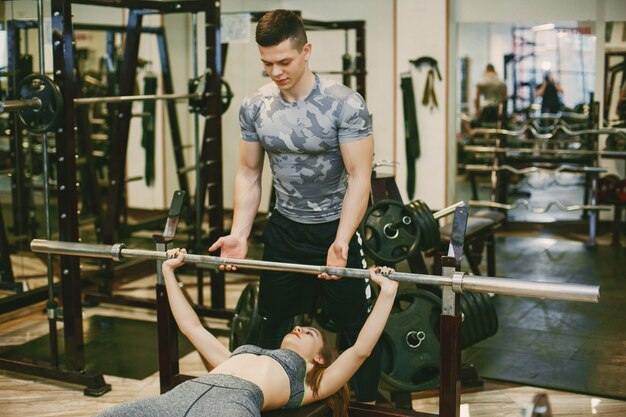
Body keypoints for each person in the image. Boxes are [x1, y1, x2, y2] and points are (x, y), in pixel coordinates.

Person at [208, 10, 379, 403]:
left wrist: (341, 241)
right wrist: (240, 232)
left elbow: (359, 178)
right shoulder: (255, 106)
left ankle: (365, 404)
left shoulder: (345, 104)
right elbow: (249, 174)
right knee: (270, 324)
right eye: (267, 63)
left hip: (336, 229)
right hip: (285, 227)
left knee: (355, 325)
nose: (276, 72)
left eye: (284, 61)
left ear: (306, 50)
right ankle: (263, 398)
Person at [95, 249, 398, 417]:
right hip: (182, 395)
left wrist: (387, 291)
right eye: (300, 326)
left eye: (308, 332)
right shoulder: (235, 357)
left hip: (233, 405)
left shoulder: (311, 383)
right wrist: (169, 272)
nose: (298, 327)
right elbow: (192, 327)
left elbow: (360, 350)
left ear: (319, 358)